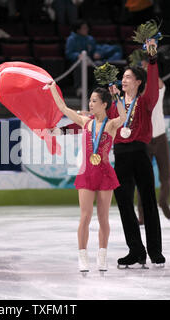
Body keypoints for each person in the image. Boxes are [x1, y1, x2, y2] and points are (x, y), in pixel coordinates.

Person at [47, 82, 126, 273]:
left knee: (103, 217)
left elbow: (124, 116)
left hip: (105, 174)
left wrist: (117, 96)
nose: (90, 104)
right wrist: (52, 88)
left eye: (94, 101)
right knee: (85, 216)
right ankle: (82, 257)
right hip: (87, 173)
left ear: (104, 104)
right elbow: (63, 108)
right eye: (90, 100)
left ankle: (102, 256)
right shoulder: (85, 122)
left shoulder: (112, 124)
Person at [107, 39, 166, 268]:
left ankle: (155, 251)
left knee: (149, 203)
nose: (123, 79)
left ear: (138, 81)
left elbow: (153, 84)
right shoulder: (115, 105)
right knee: (123, 203)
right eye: (123, 77)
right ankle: (136, 250)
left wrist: (152, 59)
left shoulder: (145, 101)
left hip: (140, 153)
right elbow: (102, 122)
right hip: (120, 155)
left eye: (128, 77)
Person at [137, 57, 170, 224]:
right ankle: (142, 215)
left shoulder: (158, 88)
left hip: (160, 135)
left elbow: (157, 82)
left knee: (166, 173)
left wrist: (149, 67)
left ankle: (163, 201)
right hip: (144, 139)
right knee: (143, 177)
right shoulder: (138, 93)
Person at [65, 20, 122, 96]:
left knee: (100, 65)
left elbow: (94, 50)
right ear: (78, 30)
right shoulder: (71, 39)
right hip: (76, 62)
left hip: (90, 61)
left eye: (87, 28)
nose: (86, 30)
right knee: (79, 66)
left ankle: (97, 88)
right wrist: (77, 55)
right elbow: (68, 53)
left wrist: (97, 53)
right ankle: (79, 88)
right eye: (84, 28)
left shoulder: (90, 39)